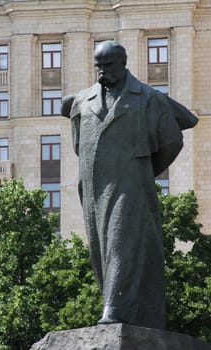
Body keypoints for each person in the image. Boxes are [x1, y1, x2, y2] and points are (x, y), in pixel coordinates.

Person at [61, 41, 198, 329]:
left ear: (123, 63)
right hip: (94, 187)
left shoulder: (147, 98)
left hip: (131, 183)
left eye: (108, 65)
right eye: (98, 66)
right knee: (101, 250)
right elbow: (79, 144)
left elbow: (173, 140)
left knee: (122, 243)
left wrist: (144, 170)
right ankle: (124, 310)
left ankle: (116, 311)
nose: (102, 71)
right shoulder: (83, 101)